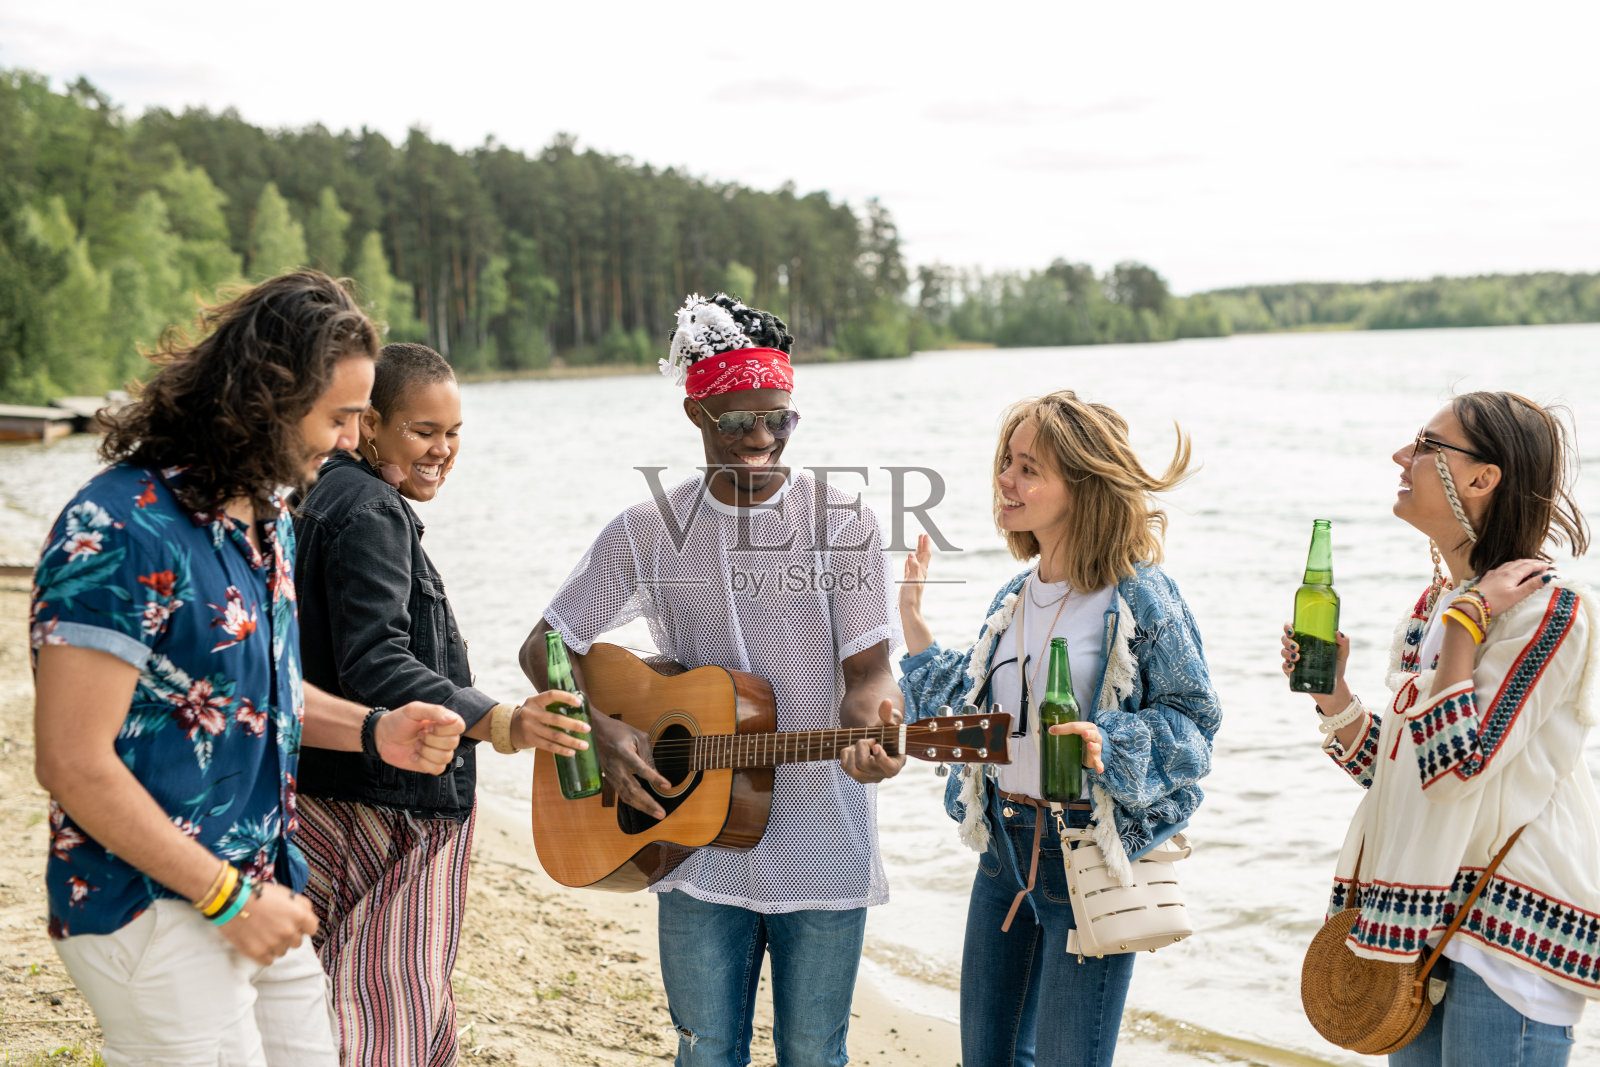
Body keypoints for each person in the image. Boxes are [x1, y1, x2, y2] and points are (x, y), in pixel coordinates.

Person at [29, 271, 467, 1066]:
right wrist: (224, 897)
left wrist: (375, 728)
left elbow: (247, 690)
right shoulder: (119, 526)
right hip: (150, 905)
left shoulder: (267, 521)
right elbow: (70, 760)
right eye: (338, 417)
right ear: (266, 395)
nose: (347, 441)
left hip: (259, 887)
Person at [519, 292, 904, 1067]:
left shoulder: (845, 521)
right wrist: (600, 725)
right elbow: (545, 644)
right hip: (692, 842)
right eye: (740, 422)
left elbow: (869, 672)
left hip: (824, 838)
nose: (764, 438)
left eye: (781, 418)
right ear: (698, 414)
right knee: (704, 1050)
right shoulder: (645, 530)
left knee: (812, 1052)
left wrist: (878, 728)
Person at [898, 390, 1220, 1067]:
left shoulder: (1138, 594)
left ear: (1080, 485)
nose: (1005, 481)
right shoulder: (1013, 596)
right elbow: (980, 719)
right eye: (1006, 463)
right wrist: (916, 628)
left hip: (1085, 856)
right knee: (985, 1058)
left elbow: (1195, 721)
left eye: (1028, 468)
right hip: (1003, 851)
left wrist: (1113, 741)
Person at [292, 342, 589, 1066]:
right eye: (424, 431)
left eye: (454, 433)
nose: (444, 450)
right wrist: (503, 721)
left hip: (330, 786)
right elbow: (377, 661)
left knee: (344, 989)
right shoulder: (370, 509)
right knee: (388, 1004)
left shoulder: (324, 494)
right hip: (396, 799)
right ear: (369, 425)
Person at [1280, 392, 1599, 1066]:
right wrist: (1333, 693)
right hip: (1424, 929)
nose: (1404, 456)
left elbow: (1458, 769)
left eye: (1427, 446)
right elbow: (1404, 772)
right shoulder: (1433, 609)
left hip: (1505, 940)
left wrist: (1467, 625)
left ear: (1483, 478)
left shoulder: (1550, 613)